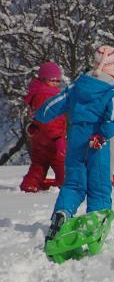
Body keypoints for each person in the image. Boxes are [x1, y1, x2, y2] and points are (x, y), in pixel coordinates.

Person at [36, 45, 114, 243]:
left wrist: (39, 115)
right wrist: (103, 135)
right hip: (98, 143)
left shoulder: (78, 86)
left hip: (76, 139)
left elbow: (53, 105)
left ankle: (61, 214)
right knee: (99, 186)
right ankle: (96, 225)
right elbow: (113, 118)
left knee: (73, 184)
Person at [20, 62, 67, 192]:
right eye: (52, 80)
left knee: (39, 163)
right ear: (43, 79)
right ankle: (68, 184)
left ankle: (30, 183)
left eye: (58, 80)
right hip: (52, 138)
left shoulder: (36, 92)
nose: (56, 83)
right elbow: (52, 121)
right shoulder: (48, 95)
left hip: (38, 137)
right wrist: (58, 138)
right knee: (62, 163)